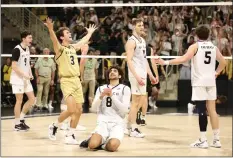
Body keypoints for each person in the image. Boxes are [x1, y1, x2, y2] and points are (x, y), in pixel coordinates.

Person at [155, 25, 226, 148]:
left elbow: (183, 59)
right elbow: (223, 62)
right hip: (210, 81)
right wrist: (216, 72)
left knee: (201, 110)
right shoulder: (214, 47)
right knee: (212, 111)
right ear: (208, 35)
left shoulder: (195, 46)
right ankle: (216, 140)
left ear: (196, 35)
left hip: (199, 82)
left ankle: (203, 140)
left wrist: (165, 62)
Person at [44, 17, 96, 144]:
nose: (70, 33)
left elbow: (82, 42)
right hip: (66, 81)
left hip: (76, 81)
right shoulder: (59, 49)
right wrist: (51, 29)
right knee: (71, 109)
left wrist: (89, 33)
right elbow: (54, 40)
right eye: (67, 33)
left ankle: (70, 135)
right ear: (62, 37)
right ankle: (54, 125)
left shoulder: (72, 48)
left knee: (79, 110)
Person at [79, 66, 131, 152]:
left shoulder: (125, 88)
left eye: (115, 71)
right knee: (92, 145)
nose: (112, 72)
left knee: (112, 147)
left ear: (120, 76)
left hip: (118, 123)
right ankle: (91, 140)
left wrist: (112, 96)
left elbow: (125, 110)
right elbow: (93, 109)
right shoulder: (101, 88)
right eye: (110, 71)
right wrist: (101, 96)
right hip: (103, 121)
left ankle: (103, 144)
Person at [125, 18, 157, 137]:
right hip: (136, 74)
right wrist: (137, 76)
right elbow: (129, 60)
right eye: (139, 25)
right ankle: (133, 129)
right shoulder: (131, 41)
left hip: (143, 74)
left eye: (142, 25)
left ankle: (127, 124)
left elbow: (144, 61)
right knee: (136, 102)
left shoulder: (142, 41)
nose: (142, 27)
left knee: (139, 102)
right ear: (133, 27)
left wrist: (151, 75)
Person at [10, 31, 36, 131]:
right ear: (23, 39)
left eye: (31, 37)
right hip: (17, 79)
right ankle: (17, 124)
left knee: (32, 99)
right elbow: (14, 66)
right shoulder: (17, 50)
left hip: (25, 78)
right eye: (29, 38)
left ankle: (21, 119)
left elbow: (27, 63)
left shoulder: (27, 48)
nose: (31, 39)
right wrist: (24, 74)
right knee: (19, 100)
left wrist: (30, 73)